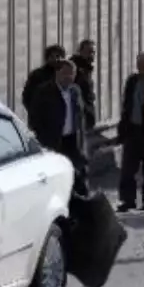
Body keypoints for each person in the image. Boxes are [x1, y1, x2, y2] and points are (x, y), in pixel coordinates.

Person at [27, 59, 90, 197]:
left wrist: (82, 140)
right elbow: (34, 118)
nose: (68, 77)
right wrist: (43, 137)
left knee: (79, 176)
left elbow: (81, 117)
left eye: (71, 74)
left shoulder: (75, 91)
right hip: (54, 141)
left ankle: (83, 208)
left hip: (73, 141)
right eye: (65, 73)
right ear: (57, 73)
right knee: (57, 177)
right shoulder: (44, 91)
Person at [117, 52, 144, 213]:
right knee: (128, 168)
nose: (142, 67)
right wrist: (123, 128)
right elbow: (126, 106)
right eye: (139, 64)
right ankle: (128, 200)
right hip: (132, 129)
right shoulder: (132, 81)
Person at [22, 44, 67, 112]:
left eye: (58, 56)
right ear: (47, 58)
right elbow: (27, 97)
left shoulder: (68, 75)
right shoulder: (37, 75)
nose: (55, 59)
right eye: (52, 56)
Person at [70, 39, 98, 130]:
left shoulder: (86, 68)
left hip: (86, 114)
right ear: (80, 51)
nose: (92, 55)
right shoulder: (74, 68)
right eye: (89, 52)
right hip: (78, 116)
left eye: (93, 52)